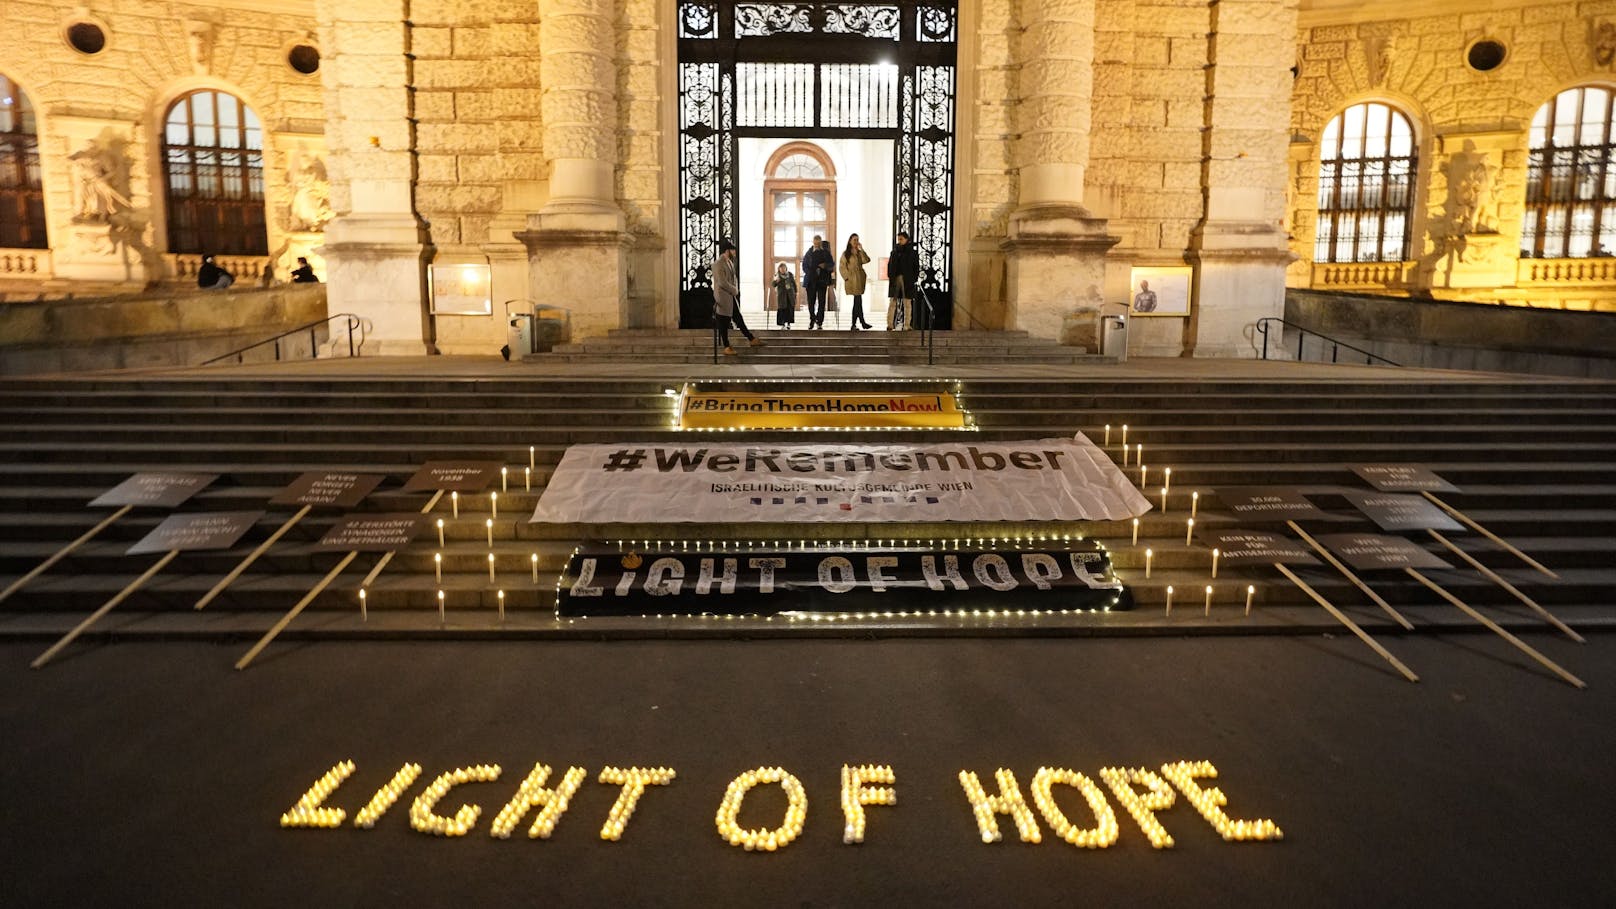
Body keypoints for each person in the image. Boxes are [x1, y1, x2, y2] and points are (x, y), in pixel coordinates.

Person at [710, 240, 763, 355]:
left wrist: (735, 289)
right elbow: (722, 282)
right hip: (723, 297)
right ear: (727, 251)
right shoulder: (718, 264)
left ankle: (751, 339)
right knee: (723, 321)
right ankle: (727, 346)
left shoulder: (729, 262)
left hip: (730, 296)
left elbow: (734, 278)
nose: (734, 252)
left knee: (738, 318)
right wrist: (734, 290)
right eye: (732, 250)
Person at [800, 234, 835, 329]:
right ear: (813, 242)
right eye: (815, 243)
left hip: (822, 281)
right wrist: (811, 272)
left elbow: (832, 264)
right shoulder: (809, 252)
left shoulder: (826, 252)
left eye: (818, 243)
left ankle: (819, 321)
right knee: (811, 302)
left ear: (820, 242)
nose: (816, 245)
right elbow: (804, 266)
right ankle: (812, 319)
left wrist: (826, 266)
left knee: (821, 302)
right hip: (811, 281)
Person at [839, 234, 873, 330]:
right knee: (858, 300)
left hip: (860, 278)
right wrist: (846, 277)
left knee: (858, 301)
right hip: (851, 279)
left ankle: (857, 324)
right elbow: (842, 266)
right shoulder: (846, 253)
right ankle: (860, 323)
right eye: (854, 240)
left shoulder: (859, 253)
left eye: (857, 240)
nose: (856, 242)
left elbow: (866, 260)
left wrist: (861, 250)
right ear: (850, 241)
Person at [887, 231, 919, 330]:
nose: (899, 241)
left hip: (908, 280)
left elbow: (916, 267)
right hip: (895, 279)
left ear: (906, 239)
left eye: (901, 239)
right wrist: (890, 276)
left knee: (907, 303)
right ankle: (890, 324)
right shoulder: (894, 252)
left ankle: (907, 324)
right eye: (898, 239)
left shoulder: (912, 253)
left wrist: (914, 278)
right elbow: (890, 265)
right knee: (893, 302)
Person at [771, 263, 797, 327]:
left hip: (790, 294)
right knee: (782, 309)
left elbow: (794, 283)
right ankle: (782, 324)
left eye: (784, 268)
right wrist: (777, 281)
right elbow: (773, 284)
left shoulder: (790, 274)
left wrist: (795, 292)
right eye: (781, 268)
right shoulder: (777, 275)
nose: (783, 269)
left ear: (786, 268)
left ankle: (789, 323)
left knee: (790, 308)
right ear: (779, 269)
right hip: (782, 295)